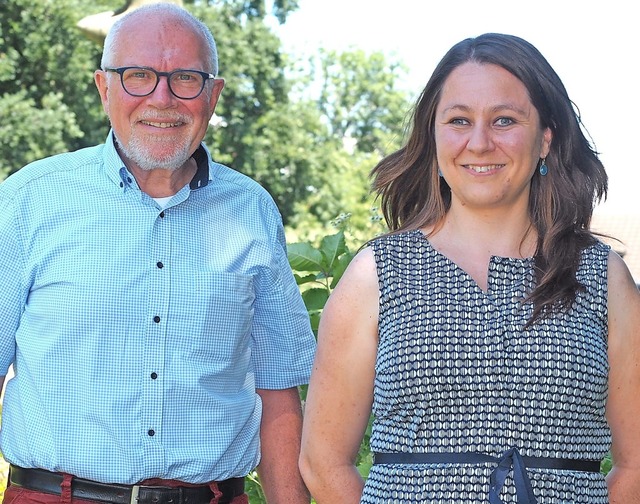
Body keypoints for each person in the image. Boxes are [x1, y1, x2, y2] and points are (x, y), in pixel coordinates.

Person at [299, 32, 640, 503]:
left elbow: (636, 464)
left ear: (545, 139)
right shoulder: (376, 274)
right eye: (459, 120)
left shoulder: (602, 278)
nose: (479, 143)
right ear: (434, 137)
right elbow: (322, 461)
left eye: (504, 120)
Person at [0, 4, 316, 504]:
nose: (162, 99)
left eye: (186, 79)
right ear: (104, 88)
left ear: (213, 94)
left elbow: (278, 389)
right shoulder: (28, 201)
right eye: (138, 76)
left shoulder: (251, 210)